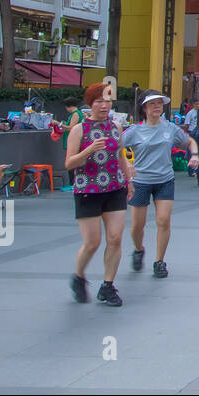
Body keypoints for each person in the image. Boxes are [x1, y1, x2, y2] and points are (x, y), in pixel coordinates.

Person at [66, 83, 135, 306]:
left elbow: (120, 155)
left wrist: (128, 180)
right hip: (88, 189)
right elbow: (69, 163)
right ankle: (78, 276)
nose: (104, 106)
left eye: (108, 101)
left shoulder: (116, 126)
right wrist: (89, 150)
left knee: (115, 238)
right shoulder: (80, 129)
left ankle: (108, 286)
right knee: (92, 242)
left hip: (115, 187)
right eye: (99, 102)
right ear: (90, 104)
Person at [122, 92, 199, 279]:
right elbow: (116, 147)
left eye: (160, 103)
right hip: (140, 181)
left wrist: (195, 155)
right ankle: (139, 249)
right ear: (144, 108)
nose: (157, 107)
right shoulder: (134, 130)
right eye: (153, 104)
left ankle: (159, 261)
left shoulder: (170, 128)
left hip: (164, 180)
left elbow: (189, 141)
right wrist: (127, 164)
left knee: (163, 221)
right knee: (137, 226)